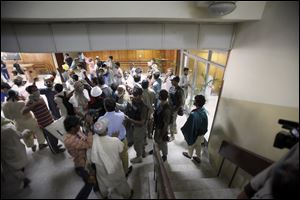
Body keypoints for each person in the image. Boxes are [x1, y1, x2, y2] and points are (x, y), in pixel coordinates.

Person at [91, 119, 133, 199]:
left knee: (103, 183)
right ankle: (127, 195)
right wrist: (114, 138)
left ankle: (105, 196)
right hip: (115, 168)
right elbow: (121, 151)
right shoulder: (115, 141)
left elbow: (91, 157)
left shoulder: (93, 141)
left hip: (101, 170)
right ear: (107, 129)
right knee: (121, 183)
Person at [22, 85, 65, 154]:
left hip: (49, 119)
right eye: (34, 90)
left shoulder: (40, 97)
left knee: (54, 135)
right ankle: (54, 150)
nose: (37, 91)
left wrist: (51, 115)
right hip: (43, 123)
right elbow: (23, 111)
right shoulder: (30, 101)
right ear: (31, 92)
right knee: (50, 137)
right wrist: (35, 104)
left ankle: (55, 145)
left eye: (37, 89)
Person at [98, 98, 133, 177]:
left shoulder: (101, 119)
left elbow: (98, 132)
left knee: (114, 158)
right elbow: (126, 122)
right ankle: (126, 171)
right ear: (115, 106)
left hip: (109, 143)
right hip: (122, 140)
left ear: (105, 107)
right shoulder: (121, 115)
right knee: (124, 156)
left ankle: (116, 174)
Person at [63, 115, 94, 199]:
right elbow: (89, 144)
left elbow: (84, 137)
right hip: (82, 165)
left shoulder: (75, 131)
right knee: (89, 183)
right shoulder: (70, 140)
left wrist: (87, 126)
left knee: (92, 179)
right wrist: (90, 130)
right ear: (72, 128)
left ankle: (97, 188)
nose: (79, 126)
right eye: (78, 125)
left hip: (85, 160)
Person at [1, 116, 31, 191]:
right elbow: (20, 135)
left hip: (8, 153)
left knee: (13, 168)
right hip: (18, 149)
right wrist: (26, 131)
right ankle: (23, 176)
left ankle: (24, 178)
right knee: (20, 165)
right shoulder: (10, 127)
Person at [124, 86, 148, 164]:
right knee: (141, 140)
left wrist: (129, 120)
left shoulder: (143, 106)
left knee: (137, 142)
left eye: (136, 95)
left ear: (141, 95)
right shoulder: (134, 101)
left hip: (140, 127)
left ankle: (139, 157)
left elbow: (142, 122)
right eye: (134, 95)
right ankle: (143, 153)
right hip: (134, 123)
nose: (134, 97)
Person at [181, 95, 208, 164]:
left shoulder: (194, 114)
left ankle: (189, 155)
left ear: (197, 103)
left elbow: (190, 126)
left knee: (191, 144)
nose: (194, 101)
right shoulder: (204, 112)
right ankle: (198, 157)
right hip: (202, 133)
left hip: (195, 133)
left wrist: (185, 130)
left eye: (195, 100)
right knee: (198, 145)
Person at [152, 90, 172, 161]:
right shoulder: (161, 104)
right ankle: (157, 149)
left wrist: (163, 134)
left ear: (160, 97)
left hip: (162, 128)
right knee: (157, 140)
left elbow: (166, 124)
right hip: (158, 126)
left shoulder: (166, 109)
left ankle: (164, 155)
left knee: (163, 142)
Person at [168, 75, 185, 141]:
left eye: (173, 81)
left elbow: (181, 102)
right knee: (173, 121)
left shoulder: (180, 90)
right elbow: (169, 97)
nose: (172, 82)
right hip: (170, 107)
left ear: (177, 81)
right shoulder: (171, 88)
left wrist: (175, 109)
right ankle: (174, 130)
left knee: (172, 121)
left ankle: (172, 136)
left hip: (174, 109)